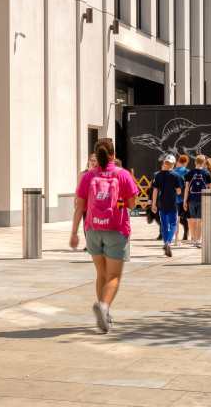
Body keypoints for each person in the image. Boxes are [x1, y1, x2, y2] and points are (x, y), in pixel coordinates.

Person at [70, 138, 137, 332]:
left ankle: (104, 312)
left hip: (93, 229)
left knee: (101, 273)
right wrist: (119, 203)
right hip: (116, 229)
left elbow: (79, 206)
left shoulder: (88, 176)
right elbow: (132, 204)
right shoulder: (123, 175)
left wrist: (74, 232)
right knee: (114, 275)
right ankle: (104, 307)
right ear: (113, 155)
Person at [150, 155, 183, 257]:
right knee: (173, 224)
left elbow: (155, 190)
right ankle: (168, 242)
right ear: (173, 164)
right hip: (172, 203)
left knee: (164, 224)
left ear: (165, 163)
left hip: (161, 203)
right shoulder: (176, 176)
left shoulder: (158, 175)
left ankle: (165, 243)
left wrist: (153, 204)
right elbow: (178, 191)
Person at [184, 154, 211, 247]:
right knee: (200, 220)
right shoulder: (206, 173)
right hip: (203, 199)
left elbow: (187, 188)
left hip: (191, 199)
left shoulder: (189, 173)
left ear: (195, 162)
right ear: (204, 162)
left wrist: (185, 201)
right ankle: (198, 240)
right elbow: (210, 188)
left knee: (192, 220)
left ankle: (193, 238)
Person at [172, 149, 191, 241]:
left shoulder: (173, 171)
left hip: (175, 198)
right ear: (186, 162)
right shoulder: (187, 171)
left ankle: (176, 238)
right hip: (185, 198)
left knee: (176, 218)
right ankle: (189, 234)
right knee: (188, 217)